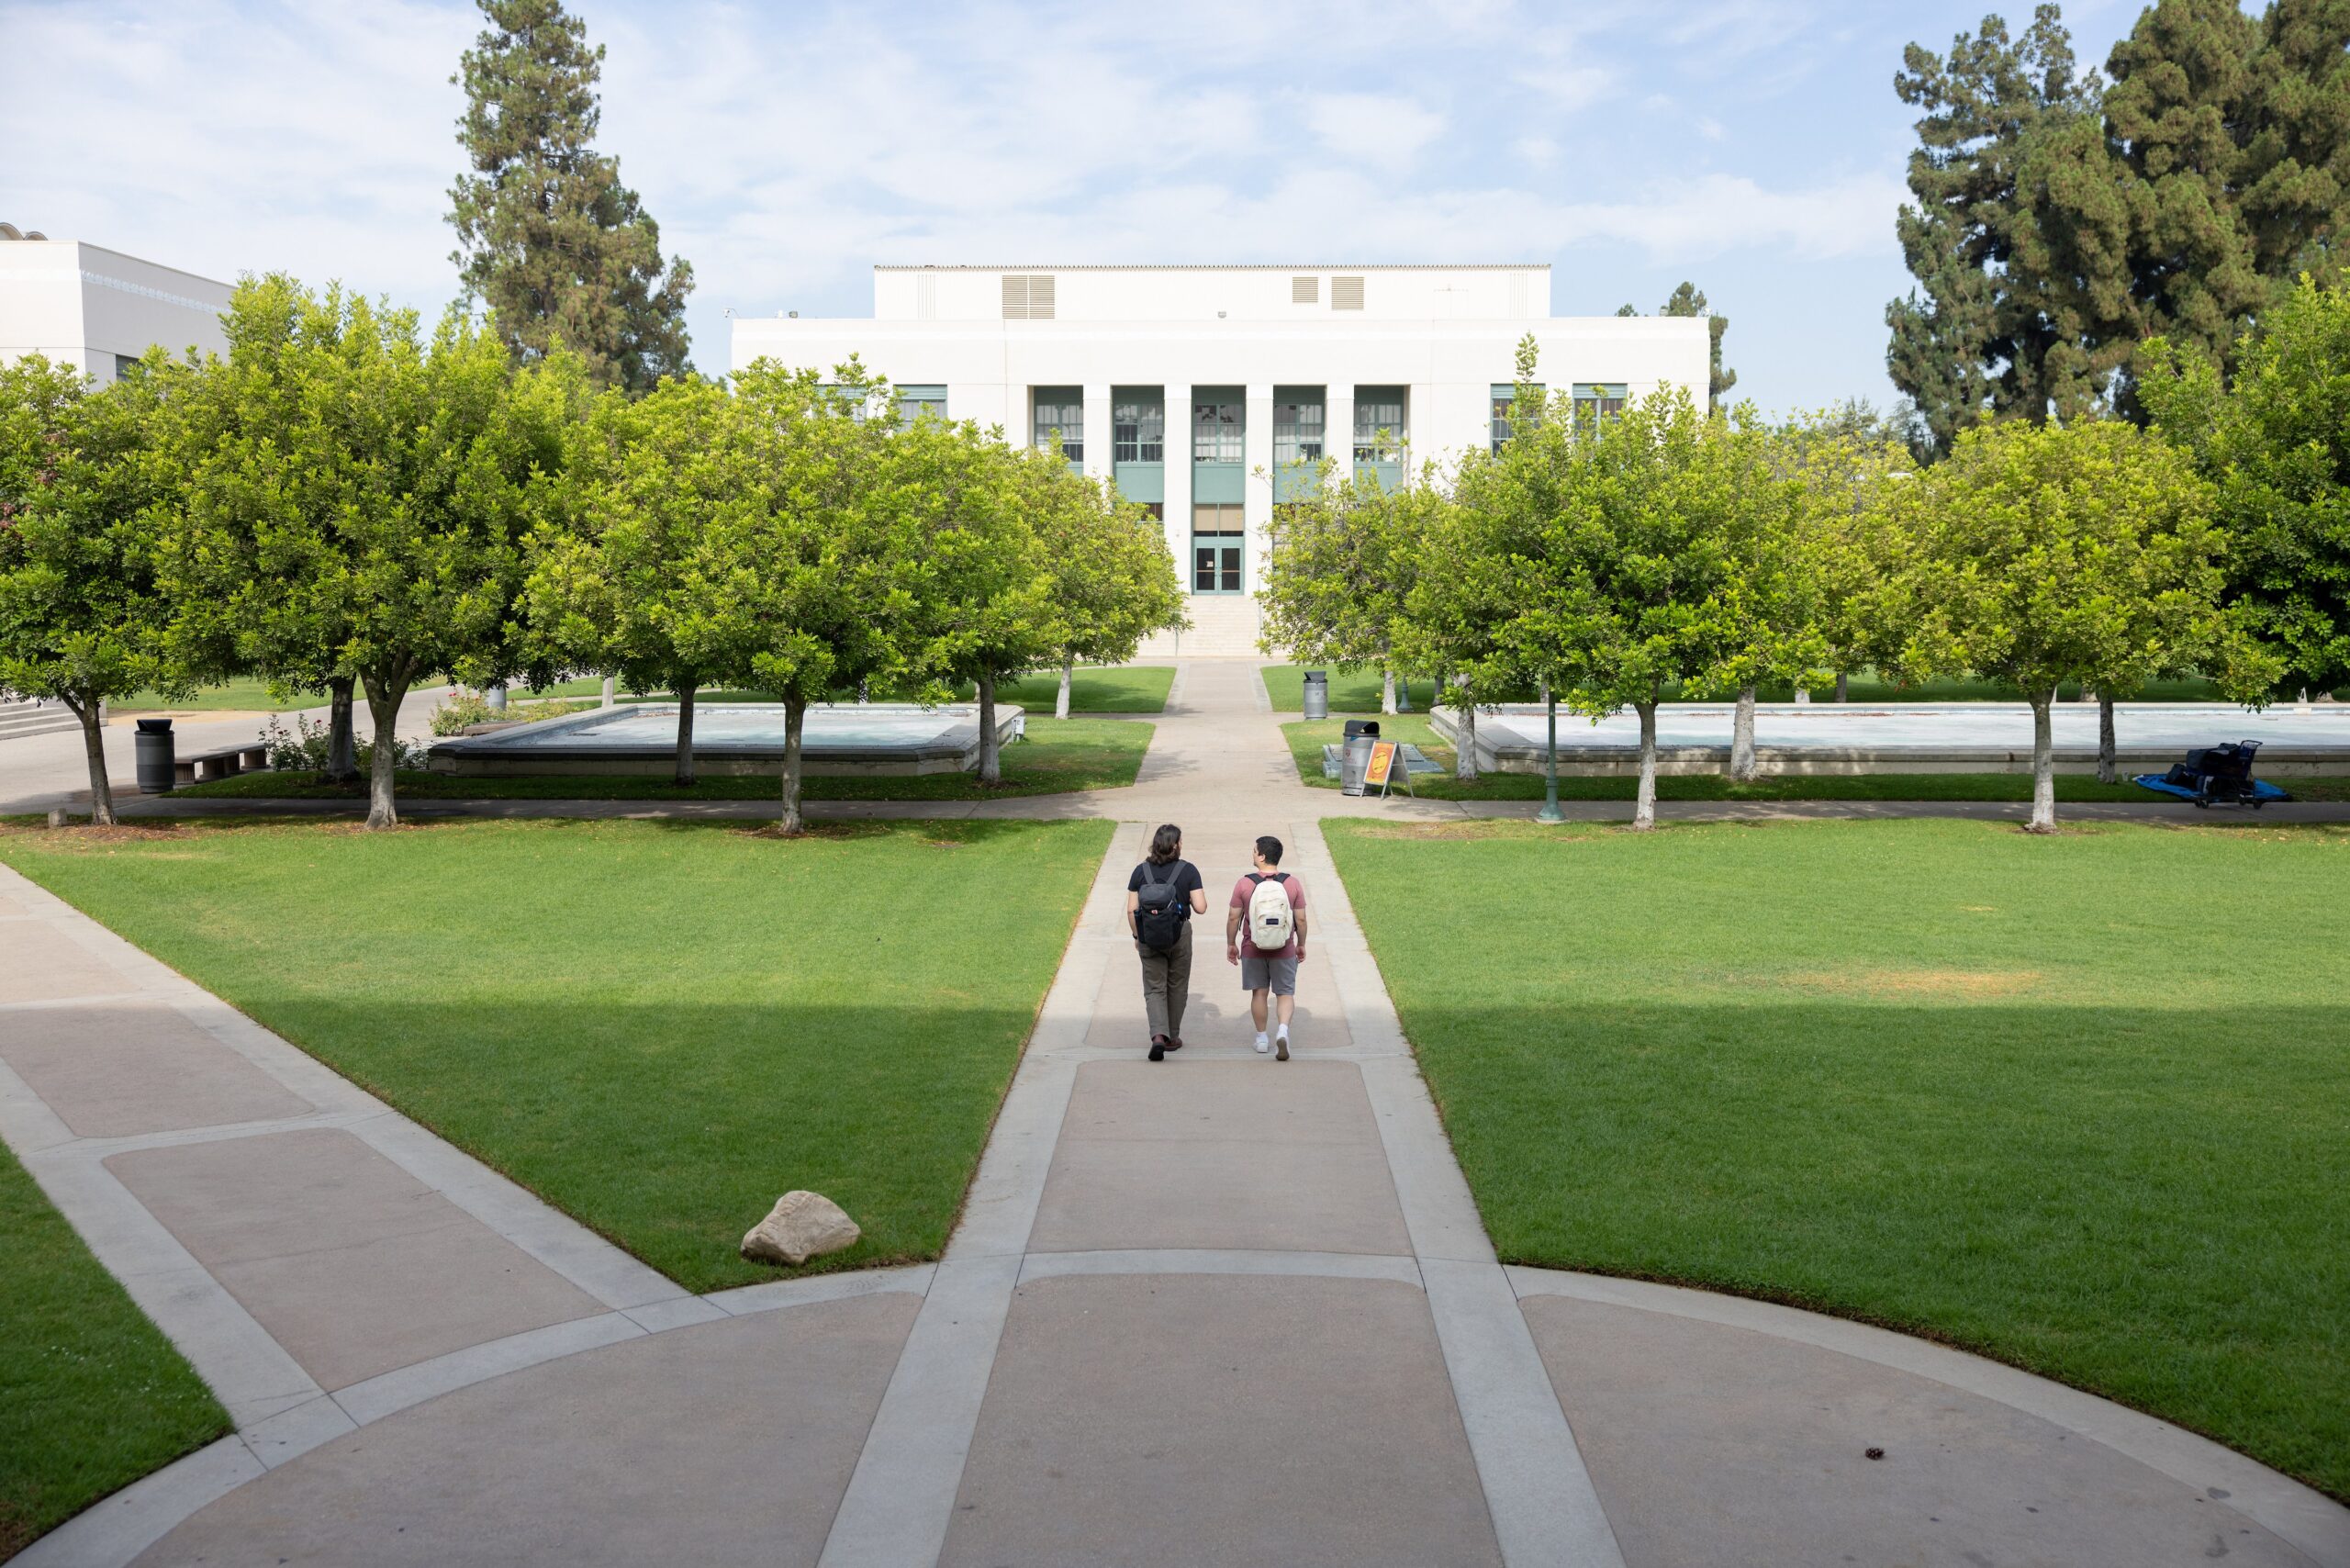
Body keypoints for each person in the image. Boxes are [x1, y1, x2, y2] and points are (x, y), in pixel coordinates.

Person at [1127, 823, 1207, 1062]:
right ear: (1175, 845)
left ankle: (1158, 1036)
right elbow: (1201, 908)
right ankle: (1172, 1037)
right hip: (1179, 933)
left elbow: (1132, 910)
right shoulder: (1189, 870)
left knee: (1154, 987)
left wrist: (1137, 937)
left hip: (1149, 936)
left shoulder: (1140, 871)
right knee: (1177, 985)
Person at [1226, 834, 1307, 1060]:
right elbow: (1300, 919)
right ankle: (1282, 1031)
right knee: (1285, 993)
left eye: (1254, 850)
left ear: (1261, 856)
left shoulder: (1244, 883)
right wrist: (1300, 944)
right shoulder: (1292, 883)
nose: (1252, 853)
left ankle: (1262, 1039)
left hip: (1253, 947)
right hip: (1284, 947)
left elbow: (1234, 918)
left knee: (1259, 992)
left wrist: (1231, 943)